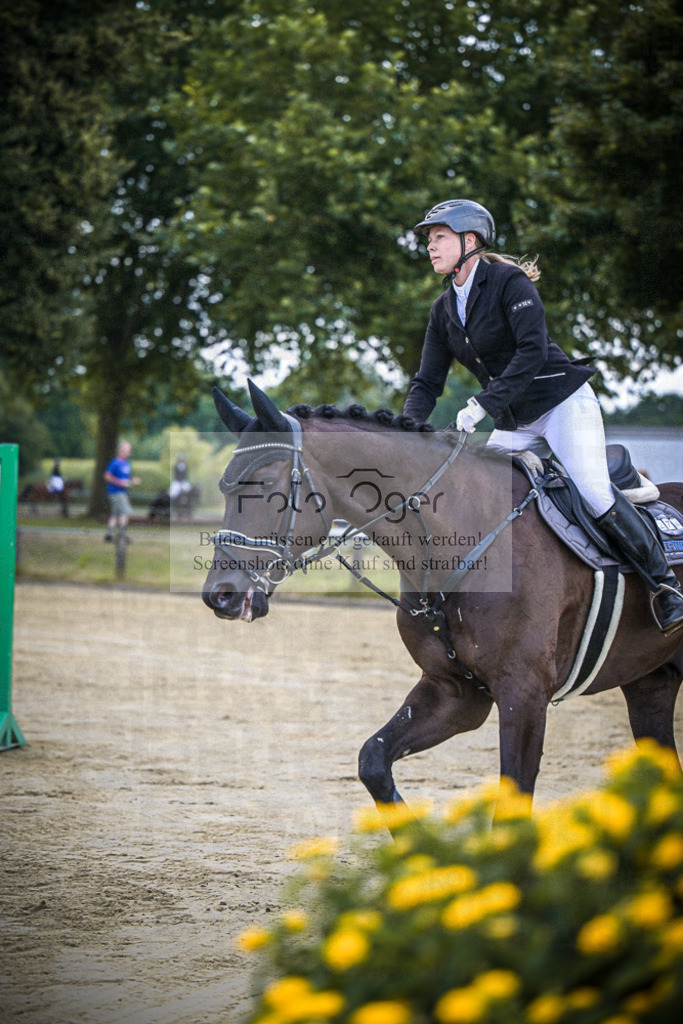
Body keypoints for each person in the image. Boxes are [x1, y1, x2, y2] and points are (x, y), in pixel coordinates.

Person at [403, 199, 683, 635]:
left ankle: (665, 587)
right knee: (480, 498)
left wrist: (483, 405)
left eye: (439, 237)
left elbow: (532, 352)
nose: (430, 247)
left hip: (562, 404)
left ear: (469, 240)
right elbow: (426, 383)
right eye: (429, 240)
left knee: (593, 491)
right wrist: (406, 431)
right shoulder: (443, 310)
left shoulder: (508, 282)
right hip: (515, 421)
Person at [104, 441, 141, 543]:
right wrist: (118, 482)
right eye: (128, 450)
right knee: (126, 512)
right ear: (121, 451)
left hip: (122, 492)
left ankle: (109, 535)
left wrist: (133, 480)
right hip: (116, 492)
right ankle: (122, 534)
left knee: (115, 515)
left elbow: (126, 478)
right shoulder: (115, 462)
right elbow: (107, 476)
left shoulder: (127, 463)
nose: (129, 453)